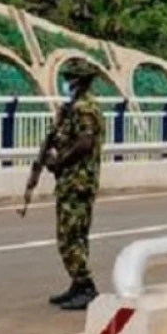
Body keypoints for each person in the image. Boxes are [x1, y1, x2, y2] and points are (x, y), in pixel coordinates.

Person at [44, 59, 106, 311]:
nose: (66, 83)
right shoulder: (75, 108)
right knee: (76, 236)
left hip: (78, 182)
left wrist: (59, 162)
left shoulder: (84, 109)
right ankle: (77, 285)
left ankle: (86, 286)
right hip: (73, 181)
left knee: (69, 236)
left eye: (70, 78)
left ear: (79, 81)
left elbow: (84, 143)